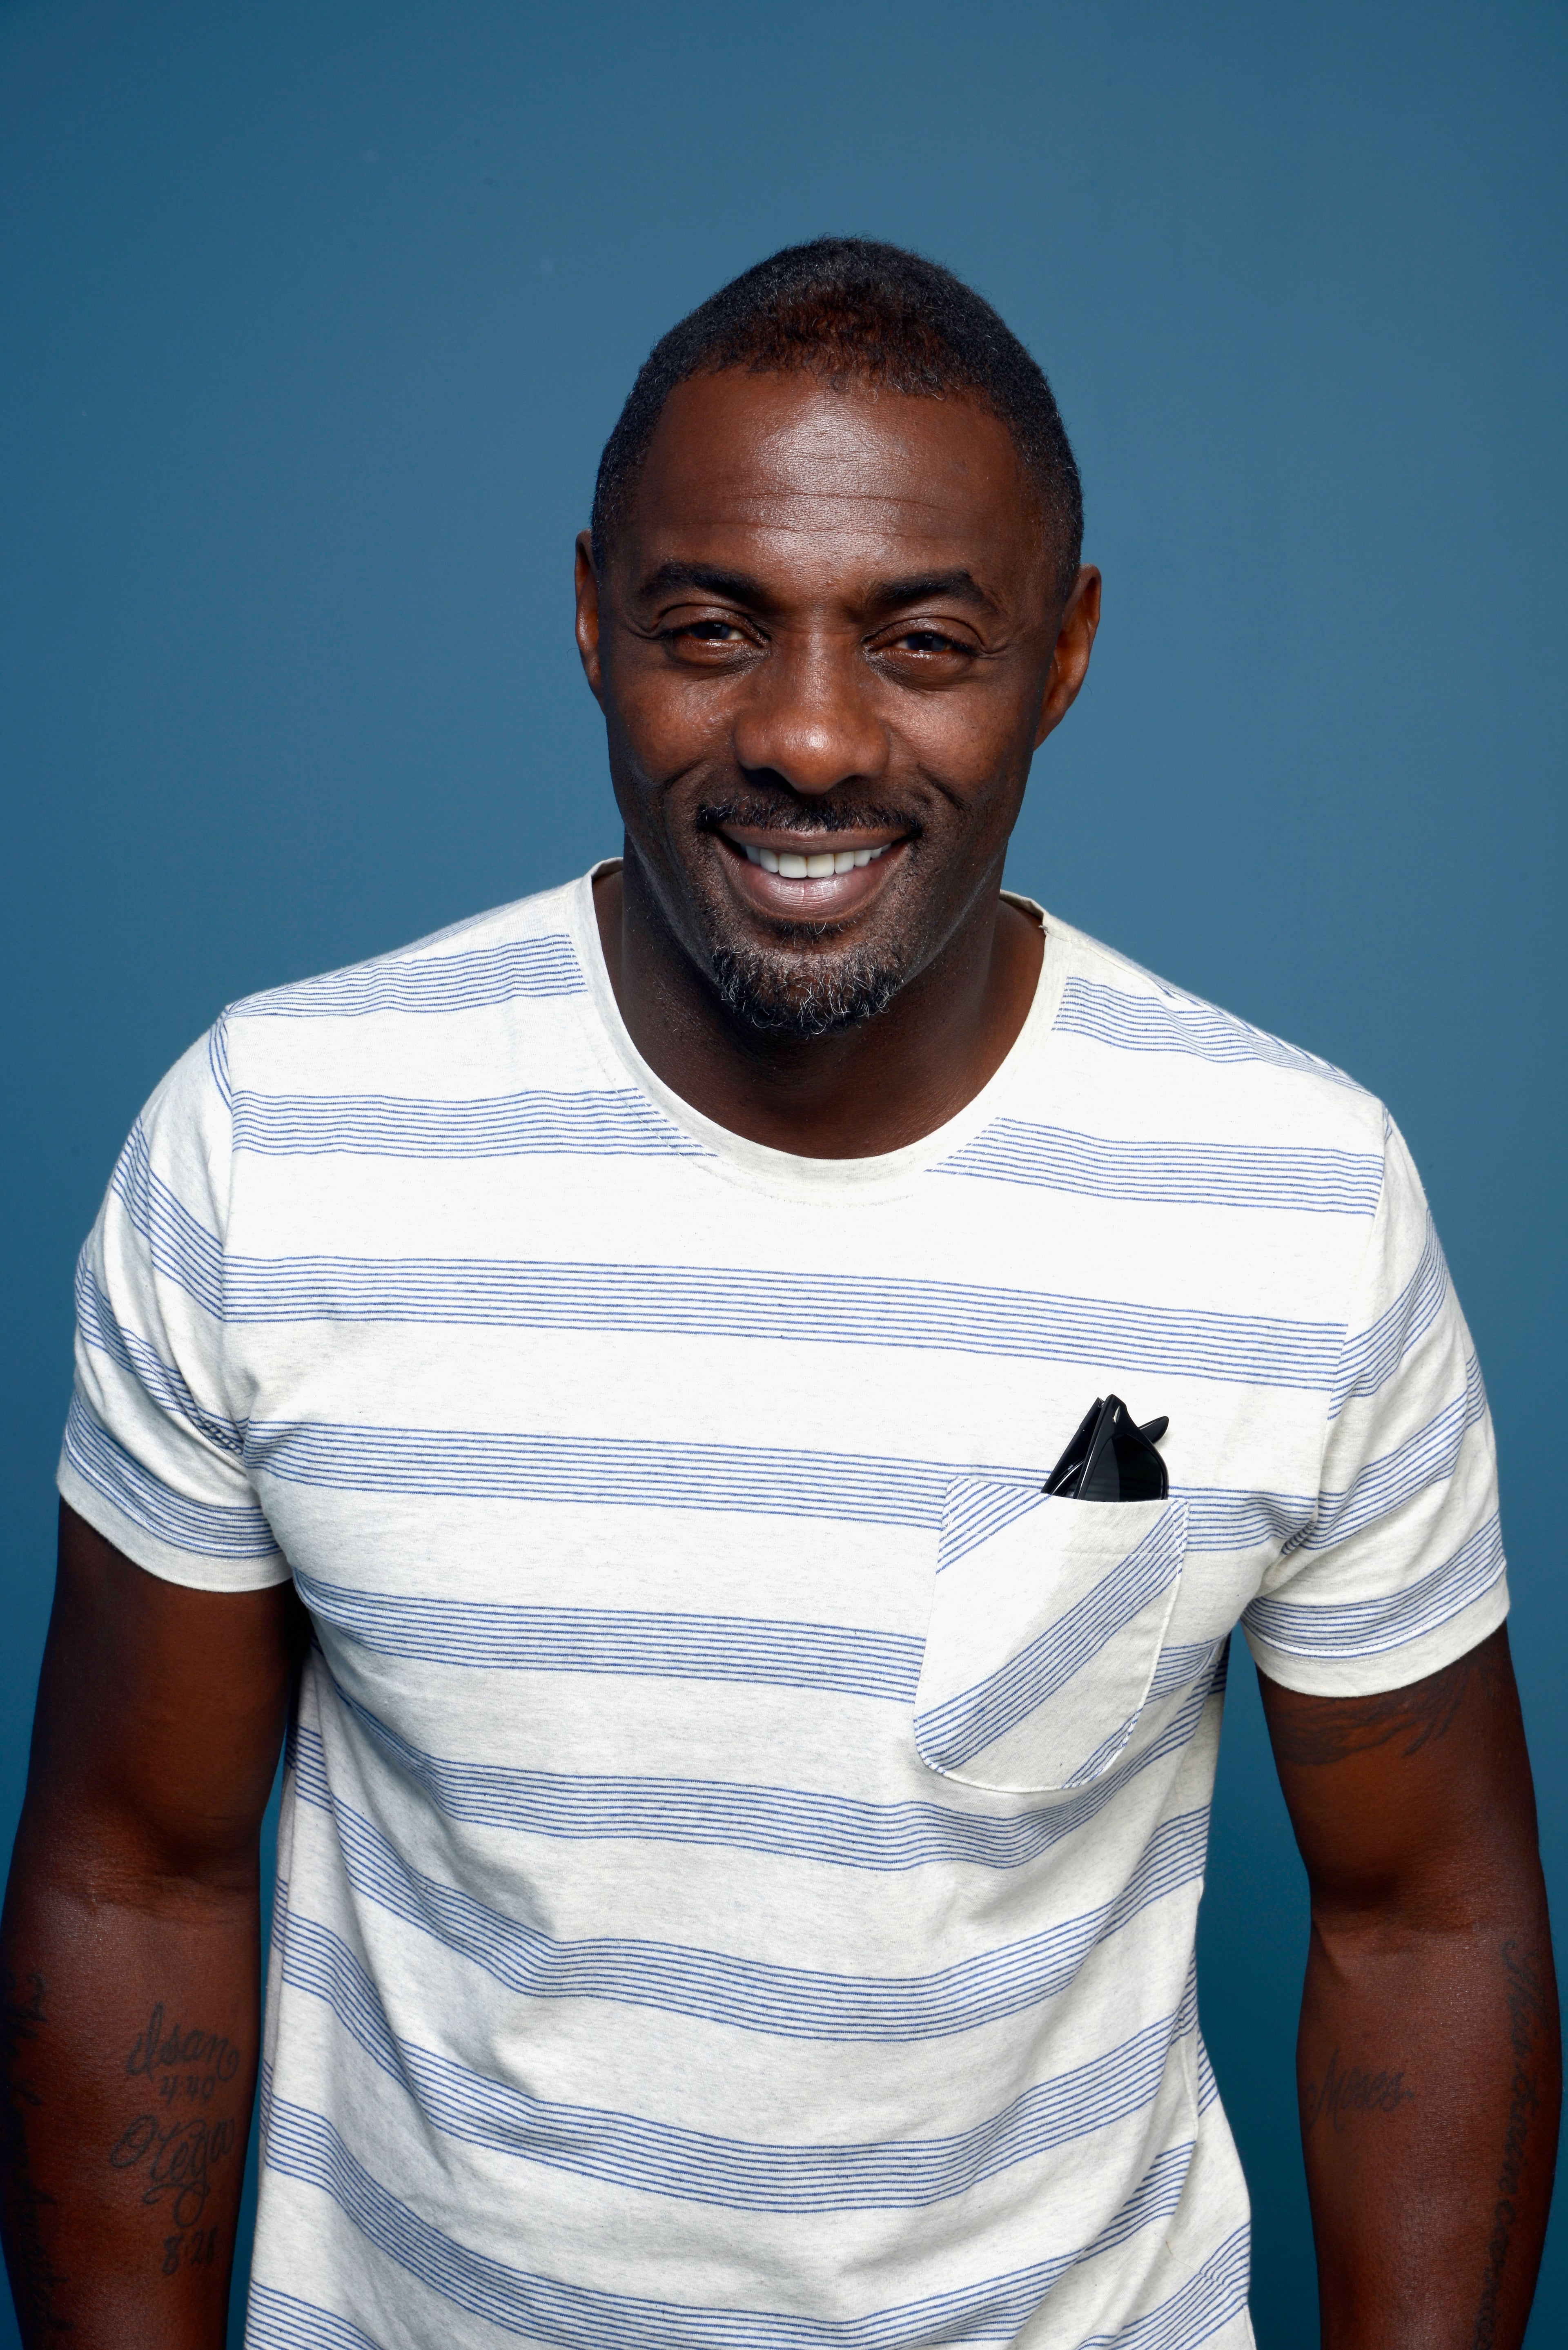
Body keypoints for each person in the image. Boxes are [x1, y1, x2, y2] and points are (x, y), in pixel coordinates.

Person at [0, 238, 1557, 2350]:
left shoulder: (1298, 1202)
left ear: (1069, 649)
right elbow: (126, 1877)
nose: (810, 739)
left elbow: (1424, 1918)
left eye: (924, 640)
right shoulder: (276, 1144)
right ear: (586, 615)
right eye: (713, 629)